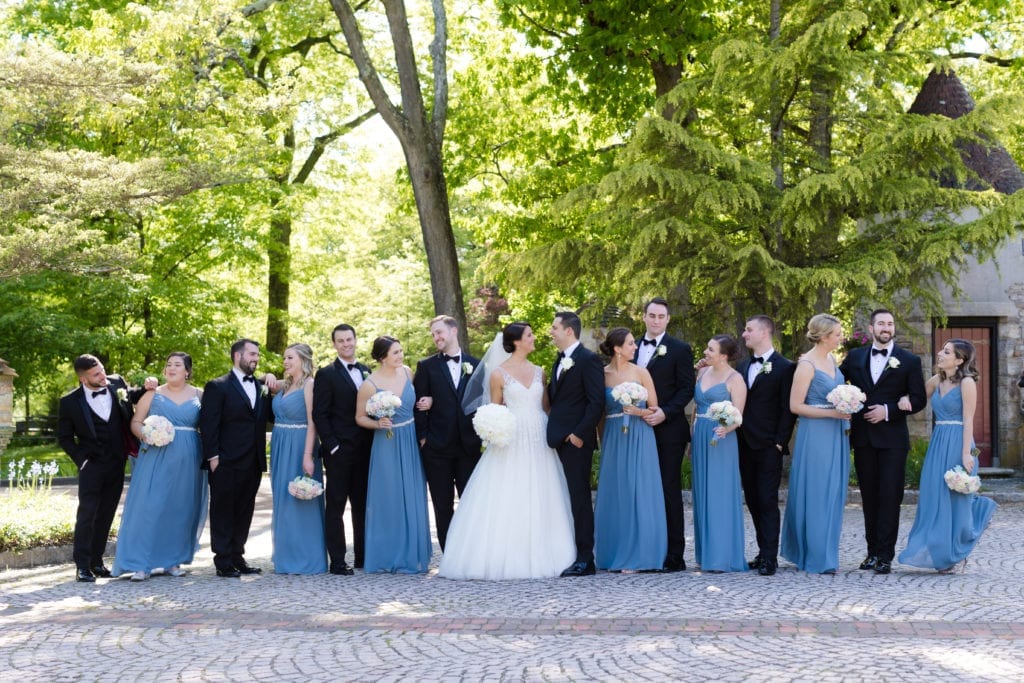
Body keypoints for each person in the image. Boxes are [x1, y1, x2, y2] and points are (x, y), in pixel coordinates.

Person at [439, 323, 576, 579]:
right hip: (511, 438)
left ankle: (552, 551)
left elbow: (546, 407)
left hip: (538, 437)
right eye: (529, 335)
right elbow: (495, 409)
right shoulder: (498, 374)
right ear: (516, 342)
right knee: (511, 490)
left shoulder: (540, 372)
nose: (534, 338)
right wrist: (494, 430)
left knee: (542, 490)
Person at [839, 309, 927, 574]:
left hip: (893, 441)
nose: (886, 327)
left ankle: (885, 556)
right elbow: (834, 382)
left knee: (890, 497)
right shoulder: (854, 357)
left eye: (890, 323)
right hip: (864, 439)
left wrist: (889, 411)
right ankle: (871, 553)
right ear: (871, 328)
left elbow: (919, 399)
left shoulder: (909, 361)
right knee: (869, 497)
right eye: (881, 323)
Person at [898, 339, 997, 572]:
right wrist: (904, 399)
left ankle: (958, 548)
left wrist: (966, 454)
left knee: (956, 498)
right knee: (935, 495)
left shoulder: (967, 383)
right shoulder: (936, 380)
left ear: (959, 360)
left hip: (960, 441)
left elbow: (969, 419)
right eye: (942, 349)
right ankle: (942, 551)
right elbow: (917, 400)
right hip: (938, 441)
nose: (940, 354)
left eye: (946, 351)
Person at [112, 352, 207, 581]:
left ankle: (172, 561)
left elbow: (209, 425)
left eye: (177, 365)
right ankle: (140, 563)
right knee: (149, 506)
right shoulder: (152, 395)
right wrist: (146, 434)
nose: (172, 368)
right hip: (156, 454)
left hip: (189, 457)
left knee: (181, 507)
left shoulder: (199, 395)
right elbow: (135, 422)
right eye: (168, 364)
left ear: (187, 371)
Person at [57, 355, 140, 582]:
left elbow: (135, 397)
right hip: (91, 465)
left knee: (106, 514)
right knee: (87, 515)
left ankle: (97, 561)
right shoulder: (70, 402)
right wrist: (81, 460)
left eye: (102, 370)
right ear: (83, 379)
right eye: (96, 374)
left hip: (116, 463)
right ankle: (82, 566)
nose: (103, 376)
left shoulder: (117, 384)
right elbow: (64, 438)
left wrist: (149, 385)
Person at [781, 314, 851, 574]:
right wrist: (833, 413)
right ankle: (815, 556)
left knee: (833, 491)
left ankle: (826, 552)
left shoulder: (832, 359)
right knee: (817, 491)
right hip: (816, 433)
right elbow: (795, 406)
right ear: (822, 337)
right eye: (836, 334)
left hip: (836, 433)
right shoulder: (807, 365)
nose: (840, 337)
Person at [593, 327, 667, 572]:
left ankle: (641, 555)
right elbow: (601, 414)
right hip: (614, 437)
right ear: (617, 348)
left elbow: (655, 410)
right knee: (617, 492)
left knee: (639, 491)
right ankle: (614, 552)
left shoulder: (641, 372)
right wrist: (604, 441)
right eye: (631, 343)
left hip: (639, 434)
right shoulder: (602, 375)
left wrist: (638, 411)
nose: (635, 347)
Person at [356, 336, 431, 574]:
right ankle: (388, 555)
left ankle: (412, 555)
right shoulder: (369, 384)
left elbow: (420, 402)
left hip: (409, 440)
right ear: (382, 357)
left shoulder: (408, 373)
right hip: (386, 443)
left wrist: (427, 404)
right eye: (395, 353)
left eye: (400, 351)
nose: (401, 356)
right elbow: (359, 417)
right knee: (389, 498)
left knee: (412, 494)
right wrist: (378, 424)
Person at [199, 339, 272, 578]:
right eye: (252, 354)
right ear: (236, 356)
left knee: (244, 510)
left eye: (257, 355)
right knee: (223, 510)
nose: (256, 358)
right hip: (225, 460)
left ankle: (238, 556)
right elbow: (208, 425)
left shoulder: (261, 386)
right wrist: (213, 457)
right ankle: (223, 560)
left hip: (253, 461)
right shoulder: (217, 386)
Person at [633, 297, 695, 572]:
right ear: (644, 317)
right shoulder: (630, 347)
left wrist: (665, 413)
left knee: (668, 488)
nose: (656, 320)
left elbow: (686, 389)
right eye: (652, 315)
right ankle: (644, 549)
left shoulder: (681, 349)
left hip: (669, 429)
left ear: (668, 319)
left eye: (661, 316)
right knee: (641, 488)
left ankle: (674, 554)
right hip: (636, 429)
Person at [413, 315, 482, 551]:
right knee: (442, 506)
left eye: (439, 332)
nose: (436, 337)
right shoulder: (426, 366)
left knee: (471, 503)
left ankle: (471, 551)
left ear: (454, 331)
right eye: (433, 334)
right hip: (436, 449)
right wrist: (424, 439)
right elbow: (417, 405)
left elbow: (480, 403)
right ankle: (449, 554)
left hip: (468, 447)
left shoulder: (476, 364)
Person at [737, 315, 797, 576]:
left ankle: (770, 558)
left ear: (764, 332)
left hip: (768, 445)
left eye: (749, 330)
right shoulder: (741, 367)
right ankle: (762, 551)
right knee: (752, 499)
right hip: (742, 443)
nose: (744, 334)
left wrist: (779, 443)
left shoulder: (785, 367)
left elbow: (787, 408)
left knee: (767, 500)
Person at [547, 311, 605, 577]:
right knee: (566, 497)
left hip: (576, 441)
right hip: (557, 439)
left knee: (580, 498)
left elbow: (596, 402)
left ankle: (585, 559)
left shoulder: (588, 360)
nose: (551, 331)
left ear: (569, 330)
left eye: (555, 327)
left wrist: (580, 434)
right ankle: (568, 551)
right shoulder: (558, 360)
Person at [312, 324, 373, 575]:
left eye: (349, 339)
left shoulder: (368, 371)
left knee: (362, 504)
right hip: (339, 452)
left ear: (356, 340)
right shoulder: (326, 374)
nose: (346, 344)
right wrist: (333, 446)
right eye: (341, 340)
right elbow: (320, 413)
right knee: (336, 505)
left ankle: (362, 557)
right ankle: (337, 560)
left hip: (366, 450)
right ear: (335, 344)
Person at [690, 335, 748, 572]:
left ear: (724, 356)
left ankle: (723, 555)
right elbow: (695, 406)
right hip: (700, 435)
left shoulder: (735, 379)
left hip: (721, 437)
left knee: (719, 493)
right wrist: (692, 432)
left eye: (711, 349)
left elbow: (739, 416)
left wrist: (726, 428)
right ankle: (706, 554)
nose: (706, 351)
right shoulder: (703, 373)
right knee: (702, 493)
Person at [270, 343, 327, 574]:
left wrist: (307, 455)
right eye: (284, 358)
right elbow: (264, 379)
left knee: (302, 499)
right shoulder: (284, 385)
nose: (285, 362)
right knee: (283, 501)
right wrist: (269, 375)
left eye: (290, 358)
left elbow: (313, 422)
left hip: (300, 445)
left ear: (303, 359)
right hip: (280, 446)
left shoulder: (310, 385)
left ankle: (307, 559)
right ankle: (286, 557)